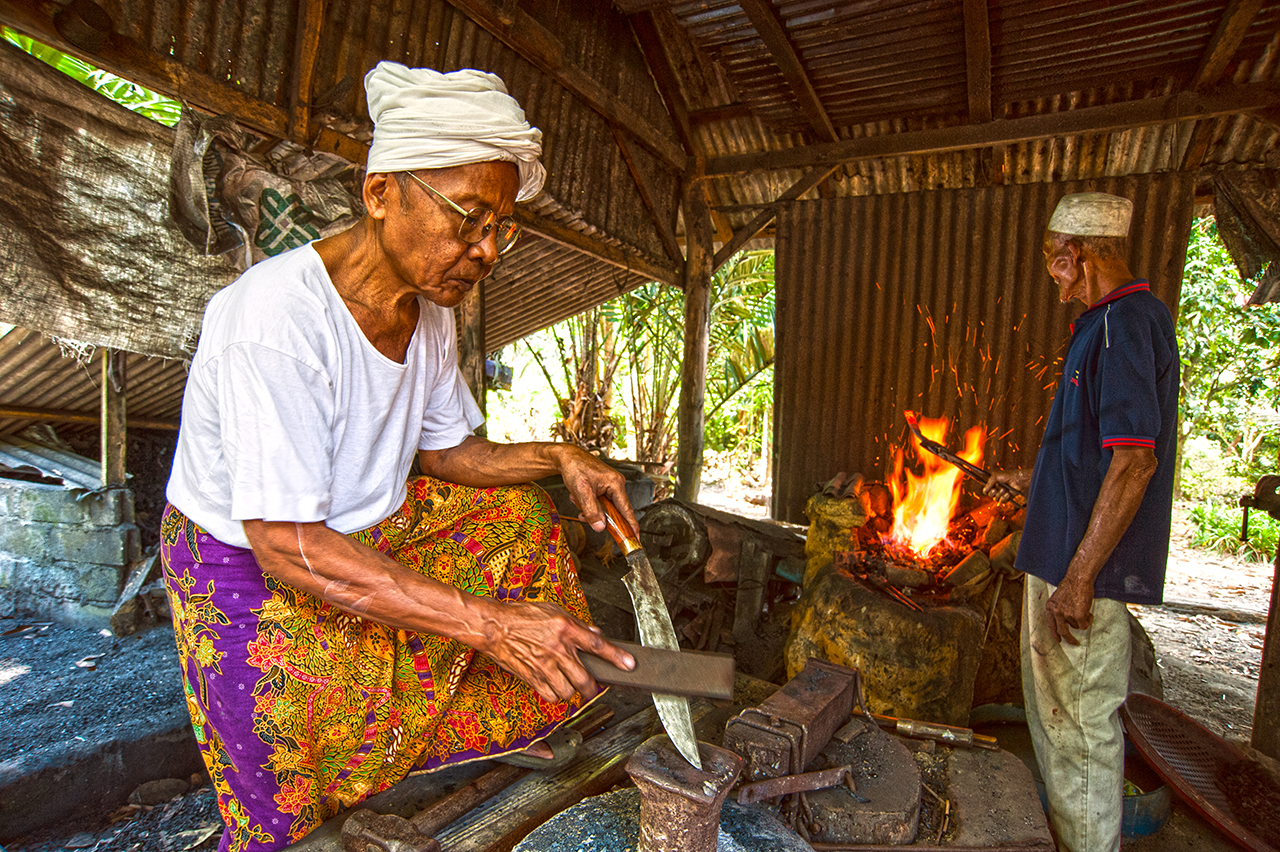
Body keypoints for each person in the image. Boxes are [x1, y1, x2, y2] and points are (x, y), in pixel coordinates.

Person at [160, 61, 636, 852]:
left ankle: (502, 720)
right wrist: (484, 623)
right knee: (295, 738)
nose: (485, 250)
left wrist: (563, 457)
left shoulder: (430, 305)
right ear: (381, 192)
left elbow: (449, 452)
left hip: (366, 529)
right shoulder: (275, 321)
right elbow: (285, 541)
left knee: (514, 518)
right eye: (469, 218)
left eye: (500, 228)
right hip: (248, 562)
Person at [985, 192, 1178, 852]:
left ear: (1077, 256)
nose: (1054, 279)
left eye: (1054, 264)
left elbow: (1134, 463)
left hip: (1081, 576)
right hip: (1061, 560)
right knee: (1059, 729)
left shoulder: (1128, 323)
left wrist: (1080, 577)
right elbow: (1091, 451)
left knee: (1082, 737)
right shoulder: (1102, 326)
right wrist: (1028, 478)